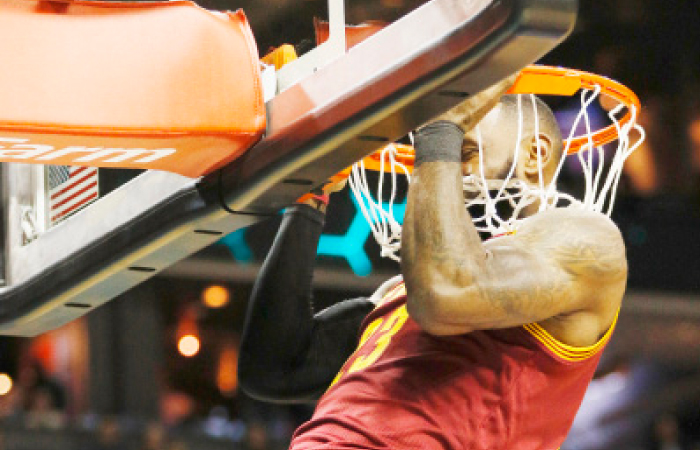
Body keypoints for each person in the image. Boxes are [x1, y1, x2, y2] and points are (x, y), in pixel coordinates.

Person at [238, 75, 627, 450]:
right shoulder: (404, 288)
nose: (441, 166)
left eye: (465, 151)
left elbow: (444, 294)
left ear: (535, 155)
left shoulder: (586, 240)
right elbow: (276, 369)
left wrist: (441, 129)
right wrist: (309, 199)